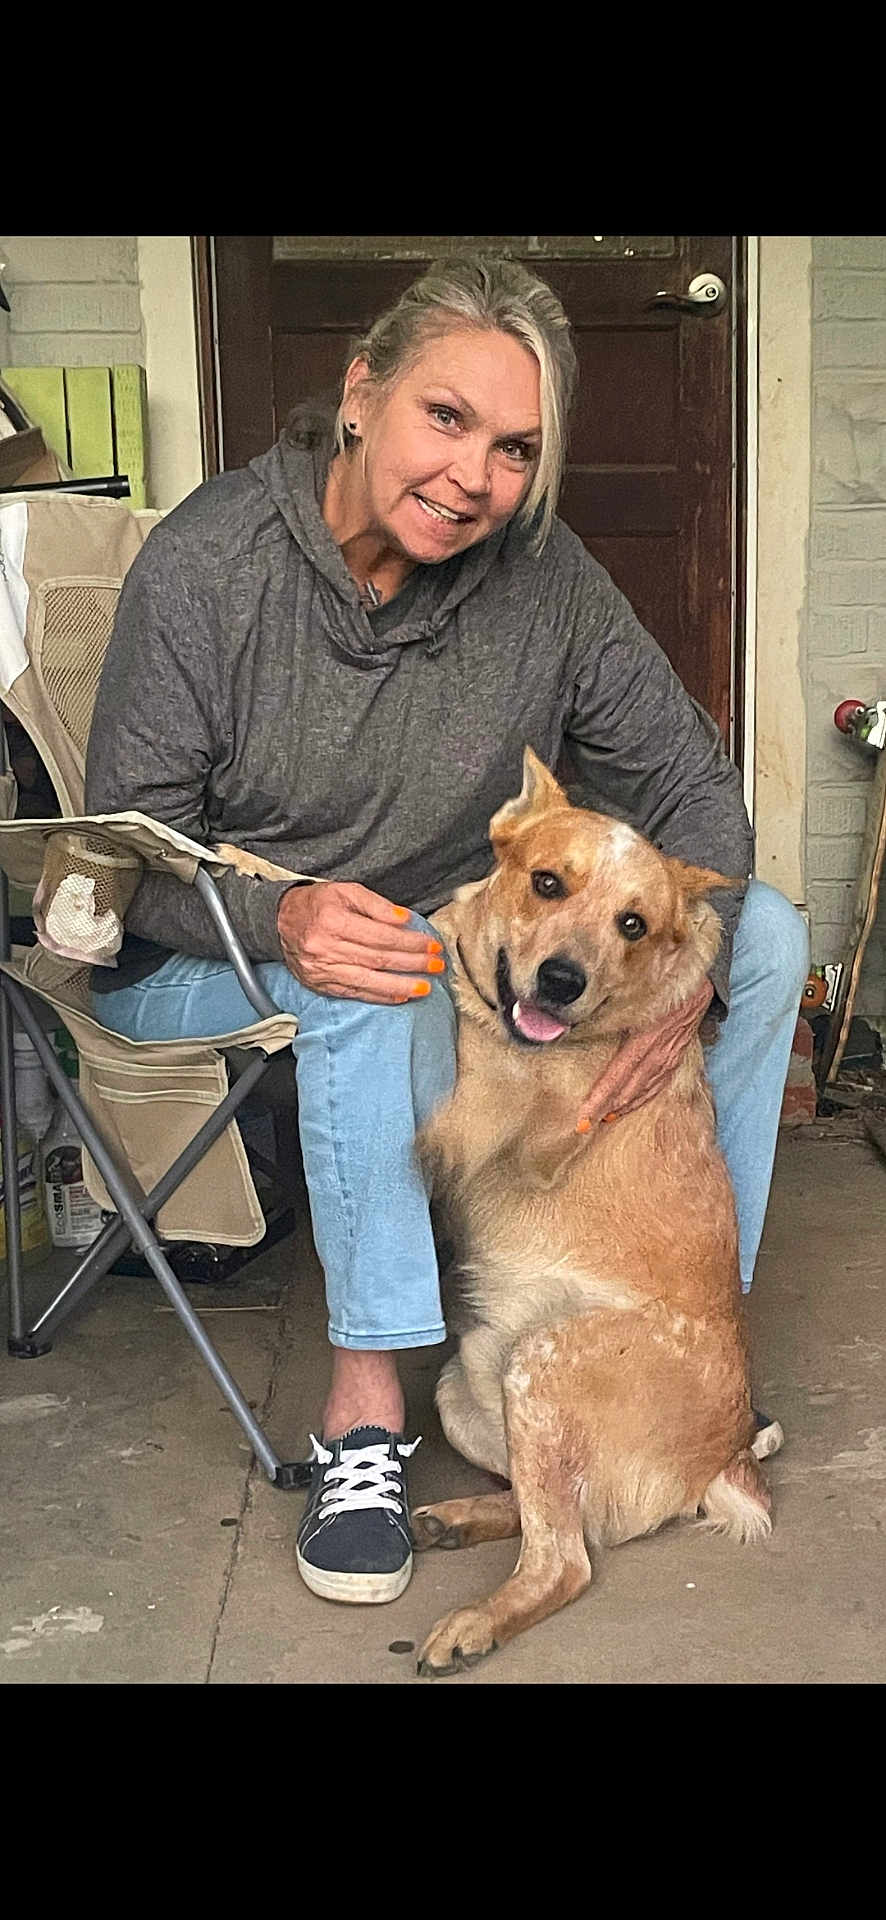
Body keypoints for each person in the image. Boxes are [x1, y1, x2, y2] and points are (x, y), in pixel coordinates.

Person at [85, 254, 809, 1608]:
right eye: (447, 419)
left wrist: (676, 994)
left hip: (433, 931)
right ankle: (364, 1417)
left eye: (515, 448)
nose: (475, 477)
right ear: (361, 394)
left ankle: (691, 1356)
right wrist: (278, 912)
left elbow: (694, 792)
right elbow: (120, 863)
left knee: (759, 935)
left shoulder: (543, 577)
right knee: (386, 975)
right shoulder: (209, 568)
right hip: (209, 947)